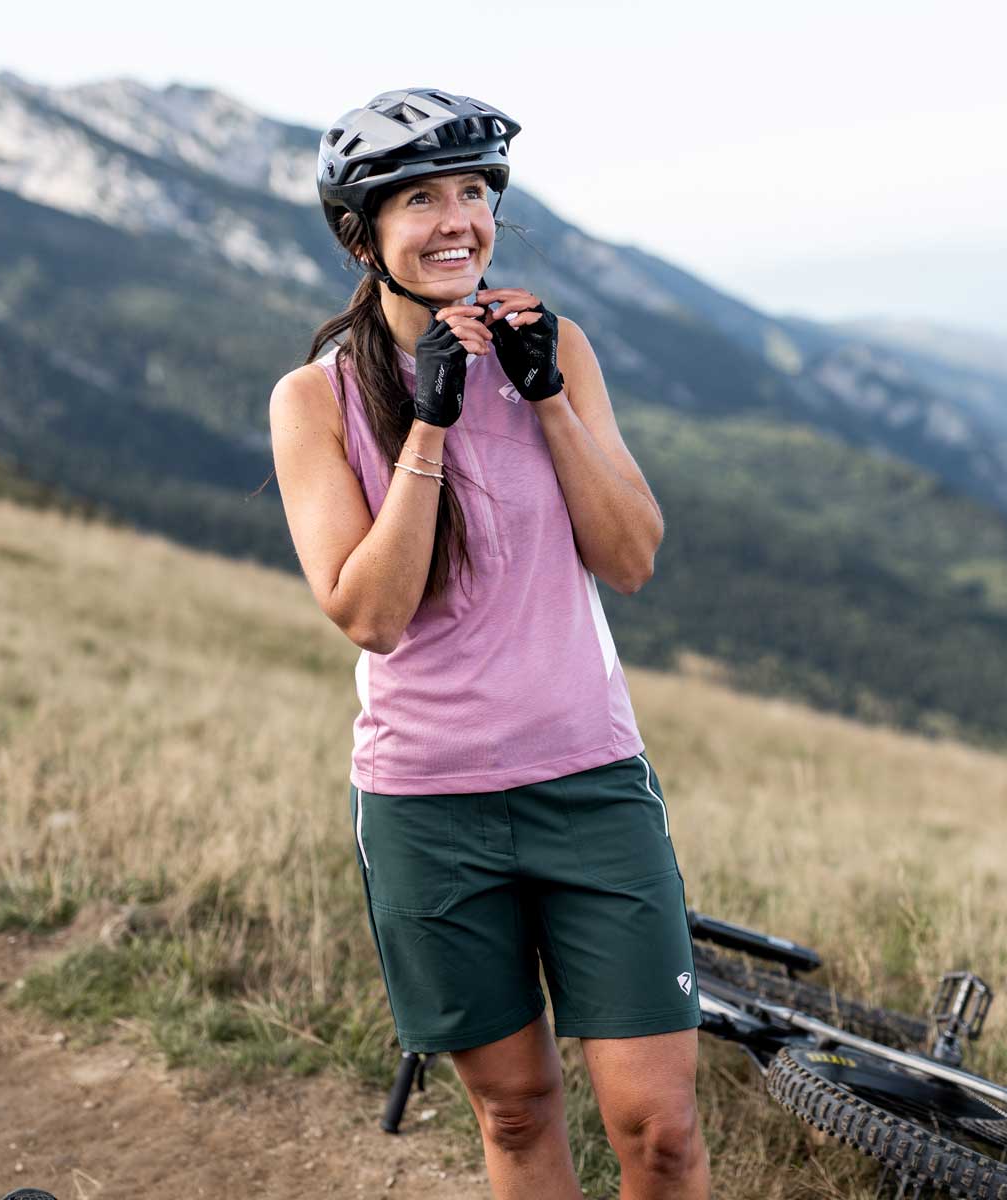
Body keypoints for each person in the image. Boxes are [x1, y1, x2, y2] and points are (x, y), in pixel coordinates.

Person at [269, 87, 710, 1199]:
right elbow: (369, 613)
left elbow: (631, 558)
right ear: (362, 237)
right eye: (421, 198)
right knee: (514, 1112)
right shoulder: (314, 401)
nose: (458, 218)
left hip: (590, 784)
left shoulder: (557, 349)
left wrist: (546, 396)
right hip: (429, 806)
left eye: (474, 191)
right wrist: (431, 417)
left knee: (660, 1129)